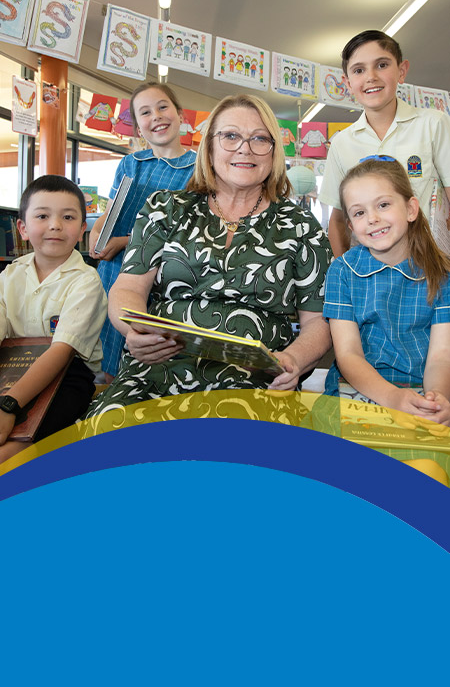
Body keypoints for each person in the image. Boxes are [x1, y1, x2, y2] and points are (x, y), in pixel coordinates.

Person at [84, 94, 332, 423]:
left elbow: (319, 321)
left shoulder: (301, 225)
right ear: (209, 146)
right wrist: (134, 330)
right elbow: (127, 288)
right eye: (230, 136)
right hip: (156, 371)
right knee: (107, 431)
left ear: (273, 151)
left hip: (257, 383)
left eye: (259, 138)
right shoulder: (165, 208)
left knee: (242, 460)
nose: (245, 148)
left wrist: (295, 360)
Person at [322, 157, 450, 482]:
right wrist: (393, 398)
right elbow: (348, 354)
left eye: (382, 204)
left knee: (428, 475)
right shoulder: (342, 271)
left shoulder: (442, 274)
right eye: (360, 212)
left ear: (410, 209)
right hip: (357, 390)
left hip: (423, 388)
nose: (373, 219)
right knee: (351, 475)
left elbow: (440, 356)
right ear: (350, 226)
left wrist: (435, 401)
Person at [89, 82, 196, 382]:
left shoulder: (199, 168)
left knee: (146, 354)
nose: (157, 116)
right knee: (104, 358)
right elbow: (109, 215)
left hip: (160, 275)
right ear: (138, 128)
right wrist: (97, 237)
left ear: (180, 114)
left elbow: (185, 232)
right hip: (112, 270)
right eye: (145, 113)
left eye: (163, 107)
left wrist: (124, 241)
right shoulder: (130, 163)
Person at [0, 175, 107, 464]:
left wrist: (9, 405)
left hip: (68, 374)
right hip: (10, 370)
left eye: (68, 216)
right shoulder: (9, 275)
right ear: (22, 228)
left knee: (36, 428)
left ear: (82, 228)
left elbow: (61, 351)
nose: (55, 225)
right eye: (42, 216)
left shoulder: (86, 281)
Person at [319, 30, 450, 257]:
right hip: (369, 272)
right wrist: (344, 272)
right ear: (348, 83)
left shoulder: (433, 124)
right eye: (359, 70)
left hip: (429, 264)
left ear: (401, 71)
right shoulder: (341, 143)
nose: (371, 77)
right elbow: (338, 220)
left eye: (381, 65)